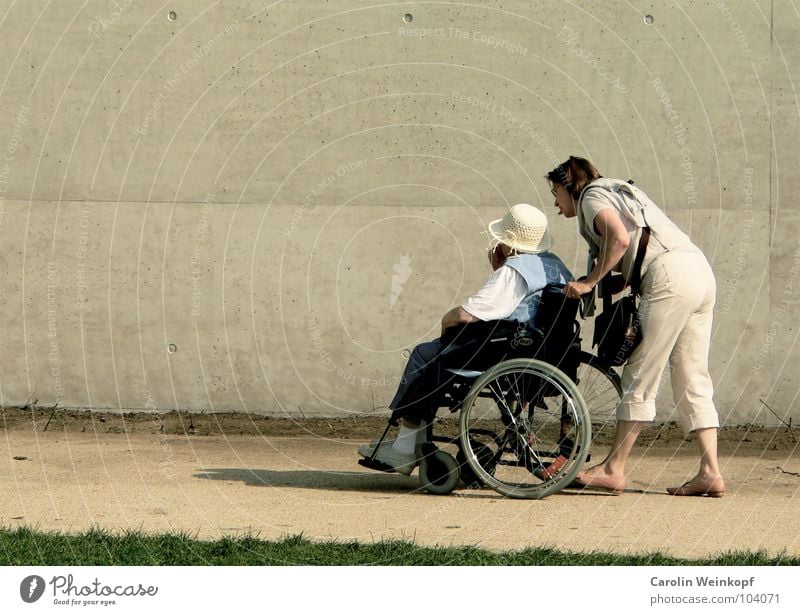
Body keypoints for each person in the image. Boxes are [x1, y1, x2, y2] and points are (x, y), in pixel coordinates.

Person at [546, 155, 725, 497]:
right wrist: (615, 280)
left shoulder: (591, 196)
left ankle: (613, 470)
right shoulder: (619, 189)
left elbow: (620, 239)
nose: (555, 202)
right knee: (692, 375)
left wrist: (590, 282)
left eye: (556, 192)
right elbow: (636, 240)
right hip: (697, 270)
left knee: (639, 374)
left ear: (569, 186)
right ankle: (710, 472)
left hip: (669, 276)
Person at [358, 204, 573, 474]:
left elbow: (468, 314)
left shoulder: (513, 271)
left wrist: (447, 321)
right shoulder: (556, 266)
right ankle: (411, 443)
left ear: (507, 242)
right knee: (436, 354)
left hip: (507, 351)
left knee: (425, 354)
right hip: (545, 351)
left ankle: (404, 448)